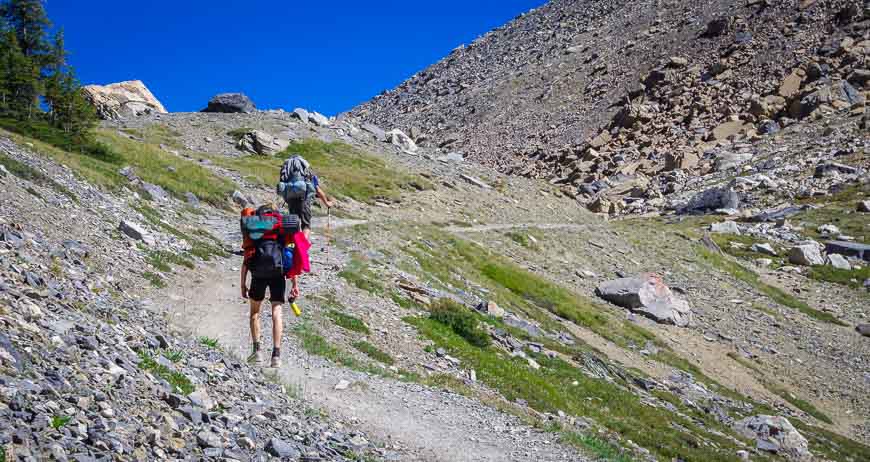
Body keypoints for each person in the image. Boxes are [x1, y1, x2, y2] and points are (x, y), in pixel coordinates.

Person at [240, 204, 291, 367]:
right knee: (277, 311)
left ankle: (257, 352)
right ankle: (276, 355)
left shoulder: (254, 228)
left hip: (258, 273)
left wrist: (243, 283)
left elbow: (246, 258)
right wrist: (294, 283)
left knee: (255, 312)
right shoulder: (280, 227)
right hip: (278, 272)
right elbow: (289, 255)